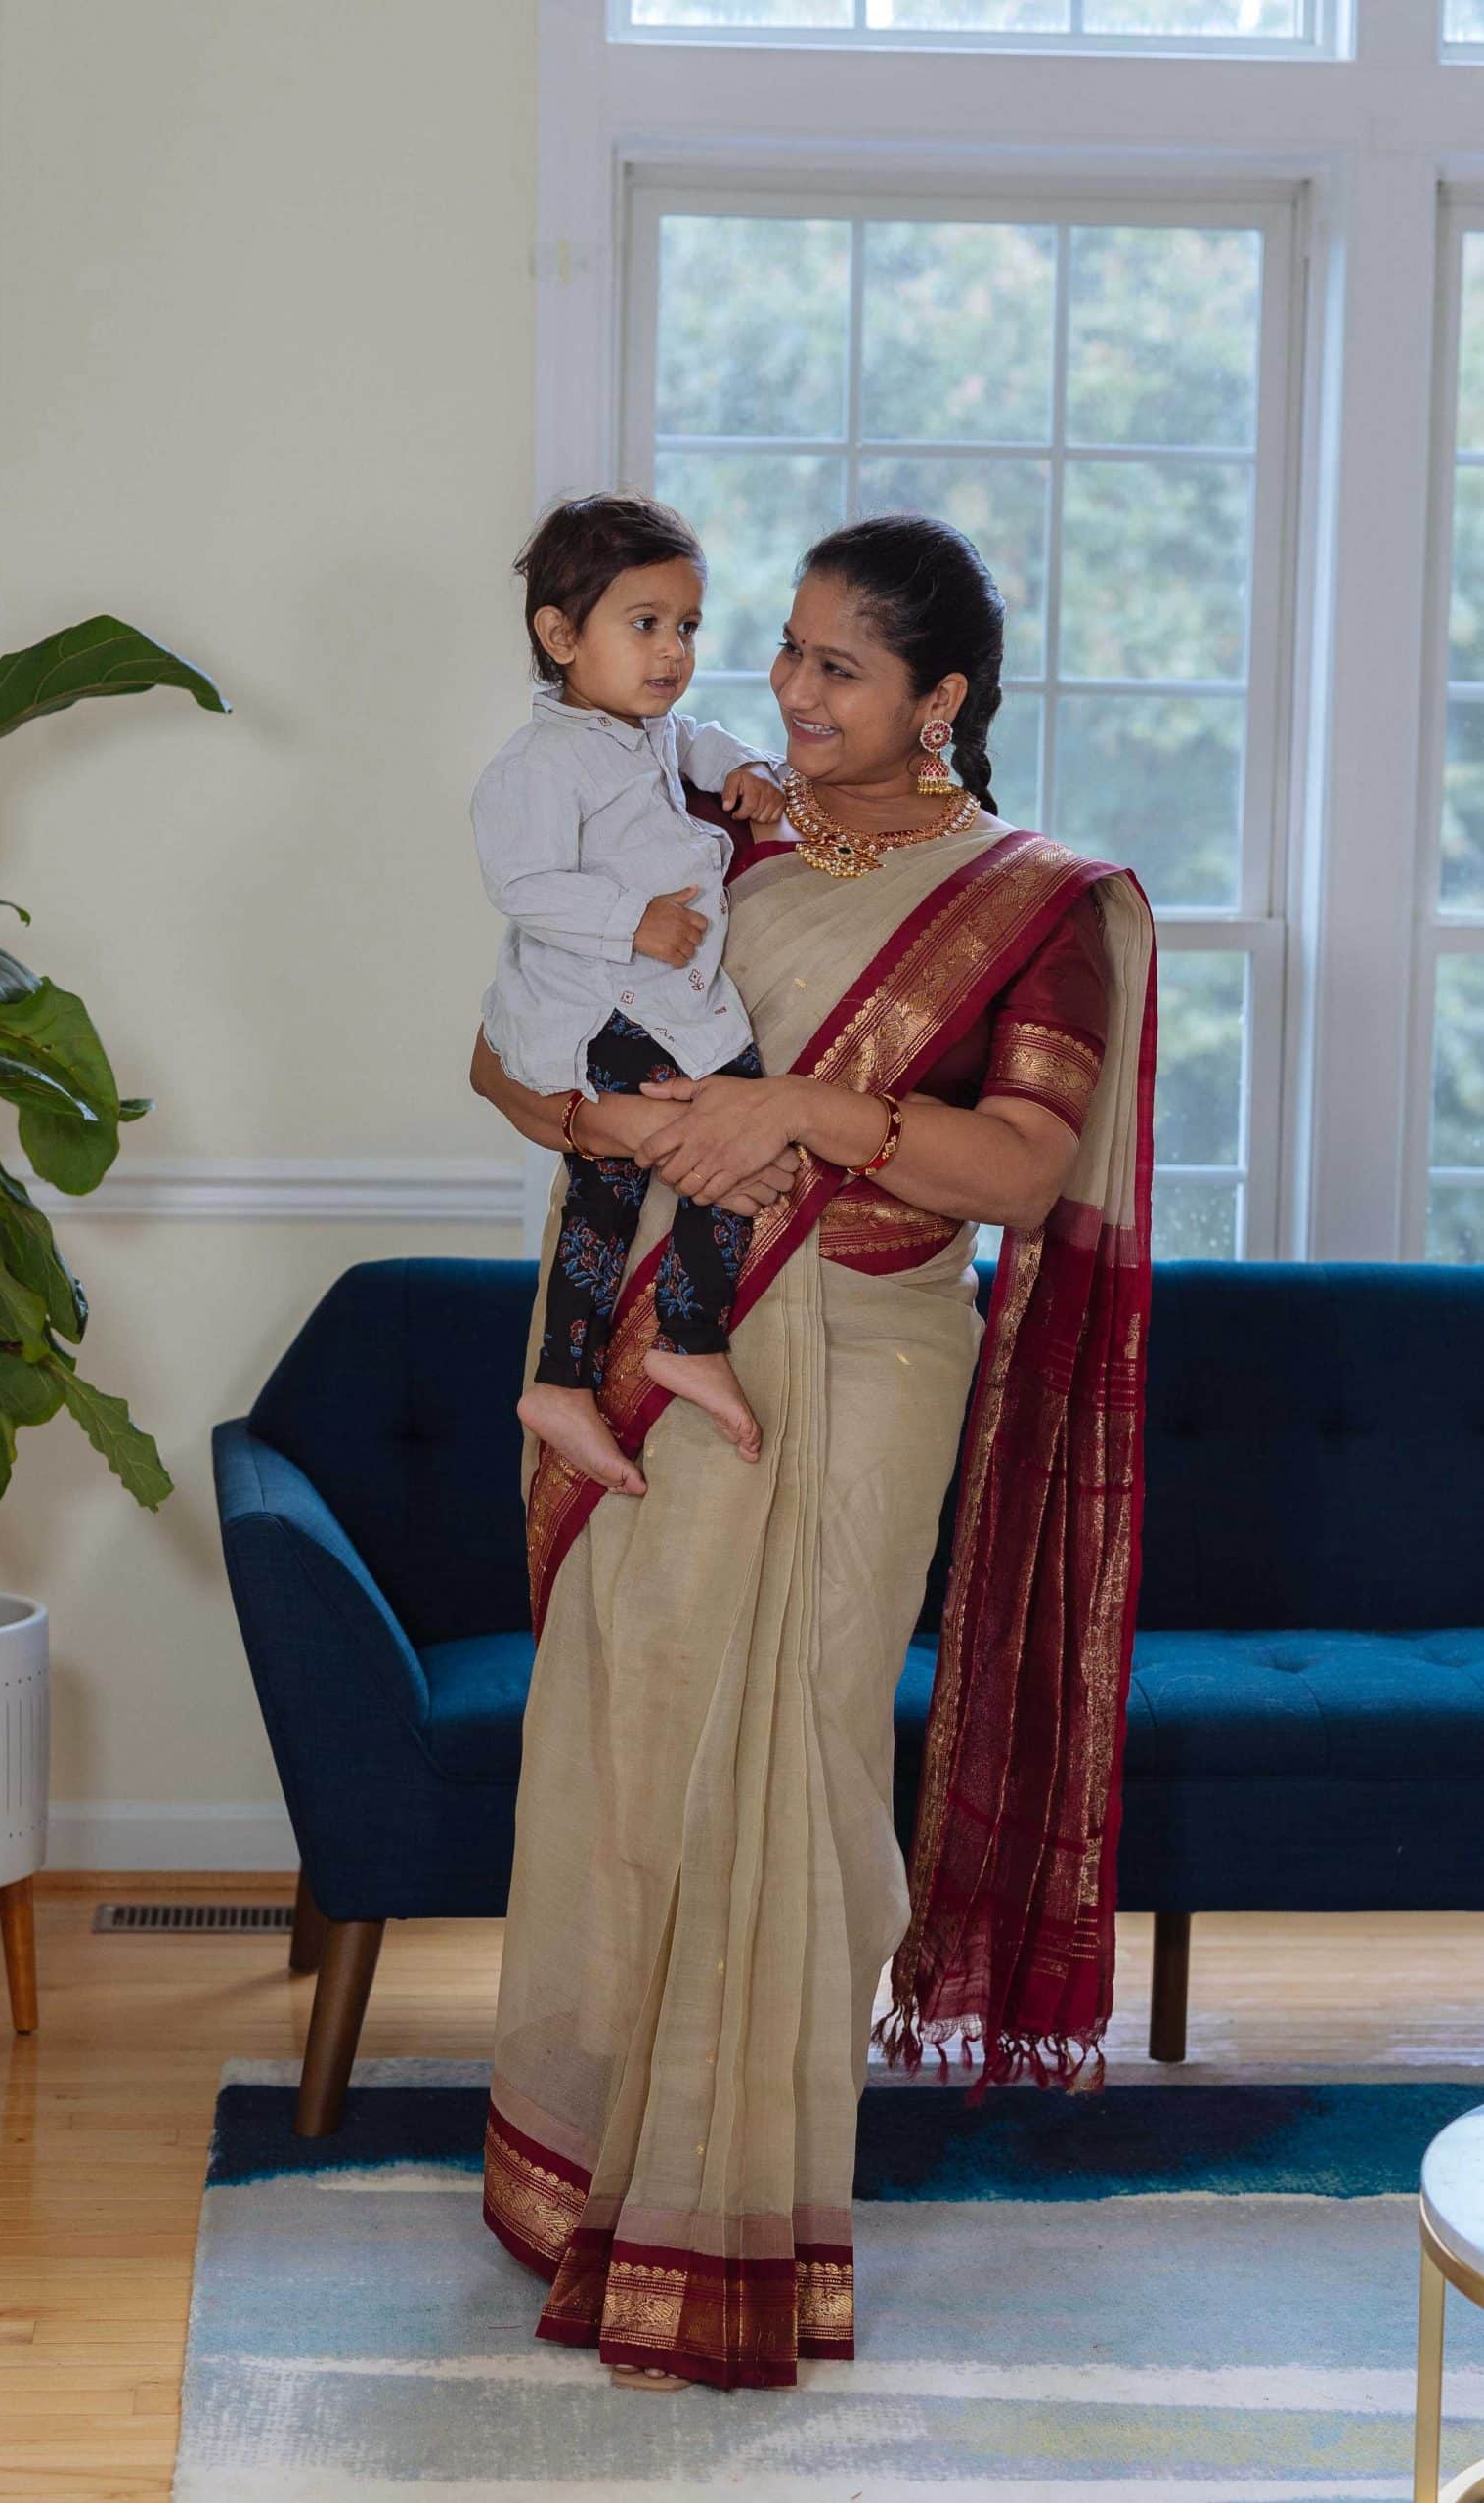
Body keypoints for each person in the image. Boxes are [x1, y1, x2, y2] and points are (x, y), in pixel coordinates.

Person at [468, 513, 1157, 2393]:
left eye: (837, 665)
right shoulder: (722, 833)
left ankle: (733, 2211)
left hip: (858, 1353)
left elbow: (1022, 1169)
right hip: (665, 1345)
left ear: (940, 699)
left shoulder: (1038, 903)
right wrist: (632, 1115)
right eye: (781, 650)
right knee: (628, 1735)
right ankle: (592, 2168)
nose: (784, 688)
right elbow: (505, 1059)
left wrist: (804, 1115)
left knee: (801, 1753)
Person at [472, 492, 786, 1495]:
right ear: (559, 635)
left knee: (606, 1191)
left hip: (653, 997)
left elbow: (692, 736)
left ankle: (563, 1380)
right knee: (723, 1120)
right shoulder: (534, 764)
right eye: (644, 624)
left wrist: (743, 764)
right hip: (595, 1003)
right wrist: (630, 920)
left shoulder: (646, 730)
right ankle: (686, 1336)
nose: (671, 651)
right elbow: (518, 885)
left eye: (686, 626)